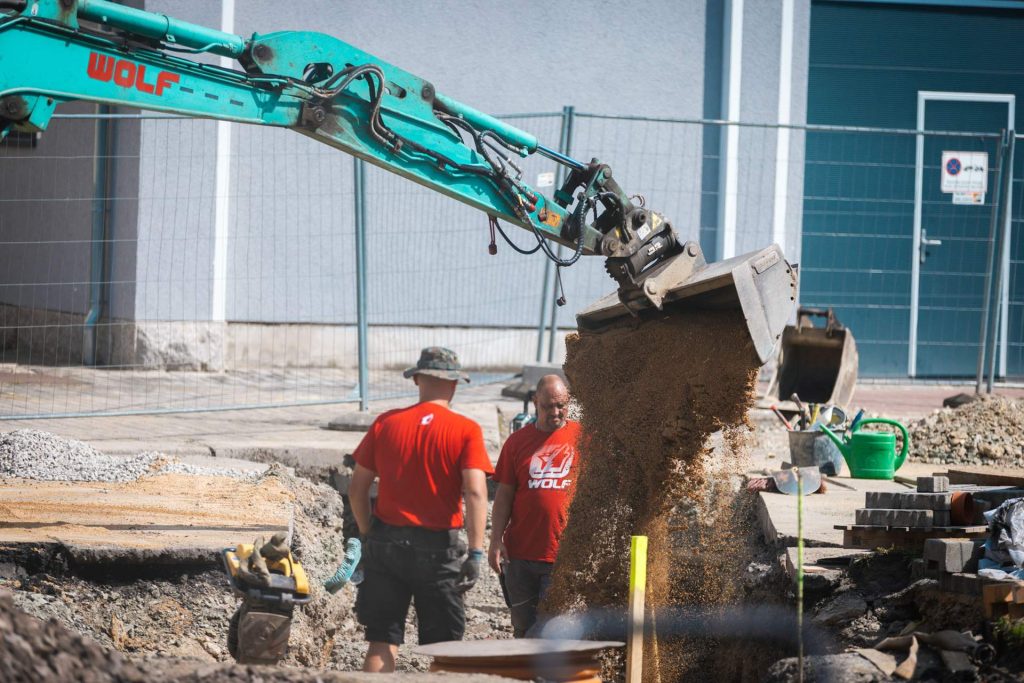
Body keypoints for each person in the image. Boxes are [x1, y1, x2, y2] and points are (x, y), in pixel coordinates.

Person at [347, 347, 492, 673]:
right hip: (438, 551)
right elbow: (475, 491)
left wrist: (368, 533)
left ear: (417, 380)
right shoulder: (466, 430)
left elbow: (357, 490)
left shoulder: (386, 423)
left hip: (386, 544)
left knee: (382, 641)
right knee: (444, 650)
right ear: (454, 385)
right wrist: (476, 552)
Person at [488, 374, 580, 637]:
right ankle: (527, 677)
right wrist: (495, 540)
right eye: (548, 406)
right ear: (535, 401)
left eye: (561, 405)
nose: (555, 412)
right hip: (520, 556)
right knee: (523, 628)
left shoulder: (583, 439)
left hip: (561, 555)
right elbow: (504, 495)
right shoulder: (517, 443)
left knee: (550, 629)